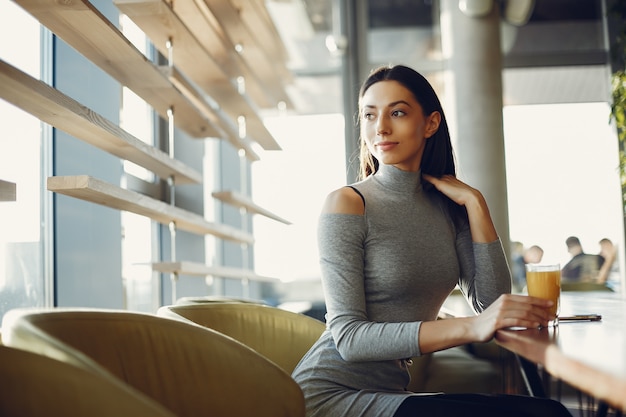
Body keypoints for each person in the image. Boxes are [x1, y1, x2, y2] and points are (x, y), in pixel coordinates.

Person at [291, 65, 571, 417]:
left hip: (390, 392)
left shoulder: (449, 208)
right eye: (369, 115)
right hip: (329, 397)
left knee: (551, 411)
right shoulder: (348, 203)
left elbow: (492, 304)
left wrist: (476, 204)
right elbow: (349, 339)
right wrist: (470, 328)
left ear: (430, 124)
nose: (381, 128)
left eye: (397, 112)